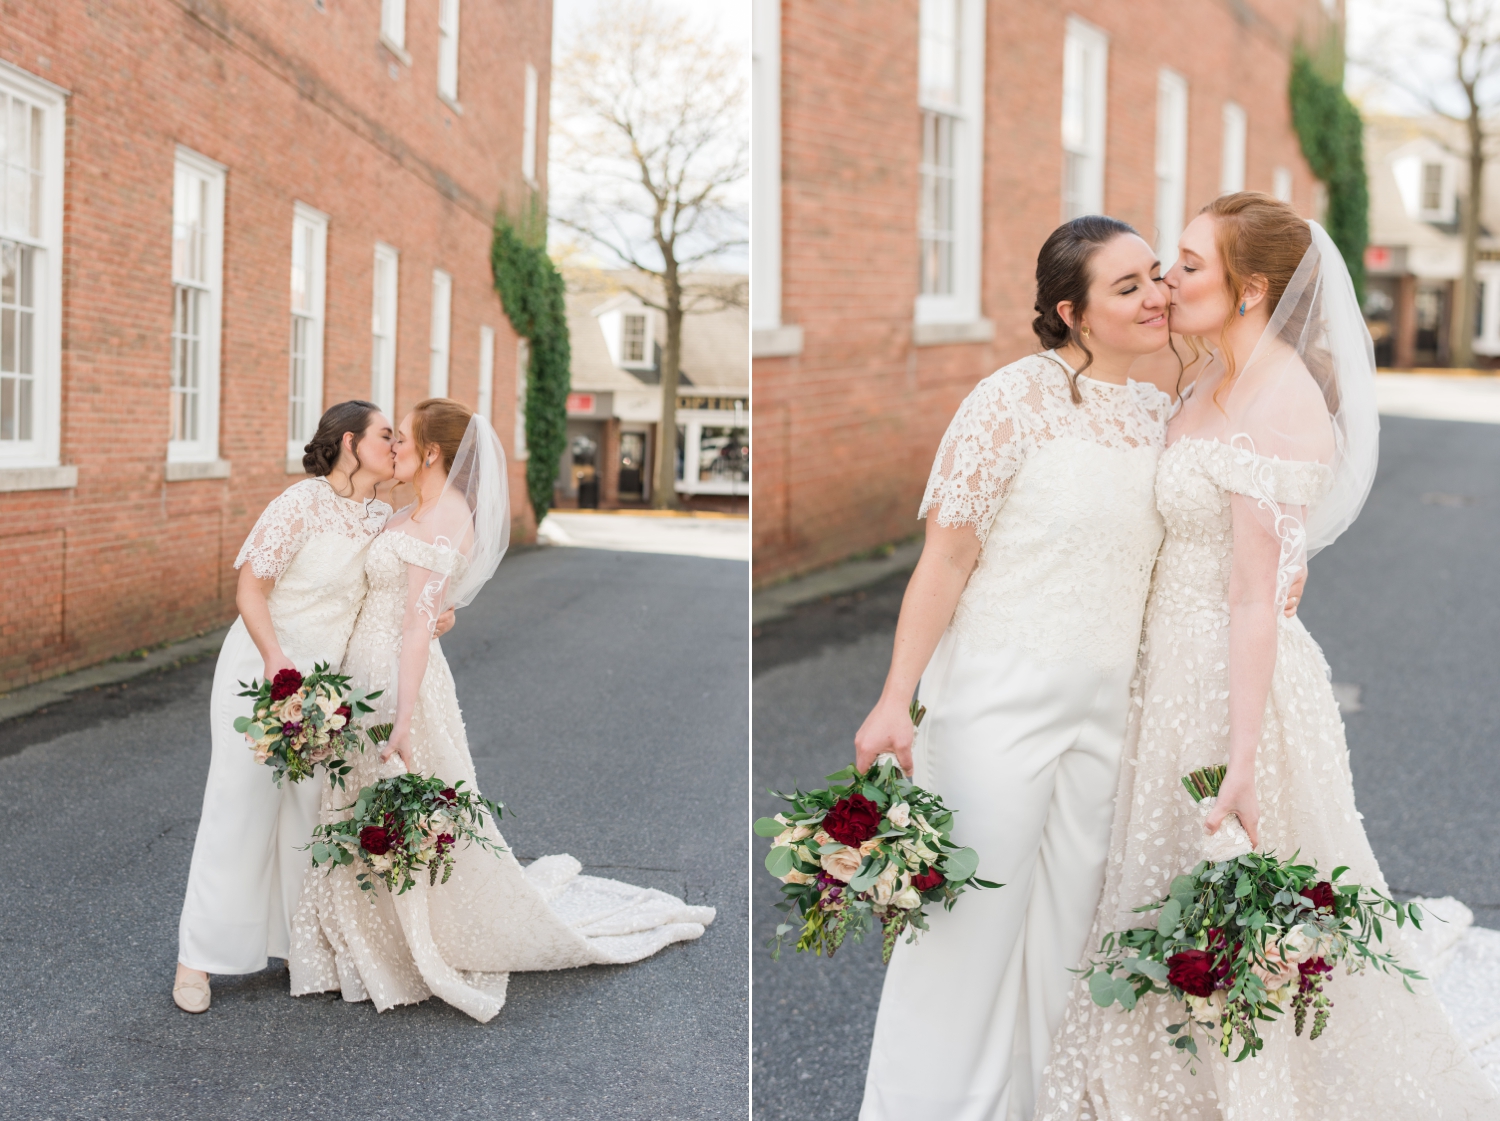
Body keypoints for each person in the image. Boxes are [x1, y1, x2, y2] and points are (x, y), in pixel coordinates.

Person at [1035, 193, 1500, 1120]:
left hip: (1228, 685)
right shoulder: (1204, 378)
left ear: (1252, 289)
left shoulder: (1282, 396)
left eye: (1190, 265)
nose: (1169, 278)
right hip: (1161, 669)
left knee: (1230, 902)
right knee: (1157, 887)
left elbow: (1254, 592)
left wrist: (1241, 756)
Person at [854, 216, 1177, 1121]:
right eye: (1129, 287)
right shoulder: (1009, 401)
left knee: (1075, 931)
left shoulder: (1163, 411)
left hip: (1111, 708)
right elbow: (946, 560)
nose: (1157, 295)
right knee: (967, 929)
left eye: (1156, 275)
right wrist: (894, 700)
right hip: (998, 699)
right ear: (1071, 312)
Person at [289, 398, 715, 1023]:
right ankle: (355, 937)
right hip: (359, 673)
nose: (395, 449)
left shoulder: (446, 518)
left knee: (394, 806)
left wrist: (403, 715)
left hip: (397, 681)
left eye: (402, 439)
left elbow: (413, 629)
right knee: (356, 802)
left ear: (432, 451)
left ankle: (405, 939)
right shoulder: (412, 510)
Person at [174, 401, 449, 1013]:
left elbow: (399, 593)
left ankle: (298, 946)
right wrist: (278, 664)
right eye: (386, 435)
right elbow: (250, 588)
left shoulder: (384, 517)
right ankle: (196, 962)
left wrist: (439, 615)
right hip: (264, 671)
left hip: (330, 691)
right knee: (239, 809)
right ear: (351, 442)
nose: (396, 446)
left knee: (307, 815)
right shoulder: (298, 504)